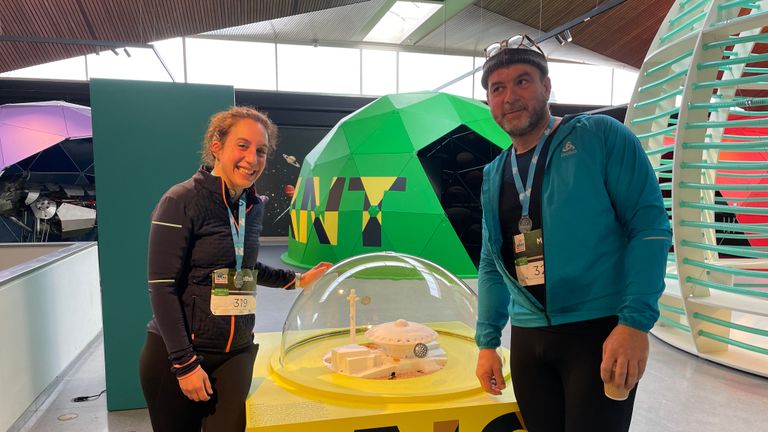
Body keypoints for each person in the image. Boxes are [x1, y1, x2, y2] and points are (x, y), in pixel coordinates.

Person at [473, 35, 671, 432]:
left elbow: (648, 228)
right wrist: (487, 342)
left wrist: (634, 324)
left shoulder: (600, 137)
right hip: (528, 339)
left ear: (546, 87)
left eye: (522, 81)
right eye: (498, 88)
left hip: (598, 330)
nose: (510, 96)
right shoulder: (494, 173)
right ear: (489, 101)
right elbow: (491, 263)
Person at [139, 106, 332, 431]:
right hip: (181, 355)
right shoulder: (180, 200)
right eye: (242, 146)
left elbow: (245, 267)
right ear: (217, 145)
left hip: (236, 353)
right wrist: (184, 363)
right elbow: (162, 286)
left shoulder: (253, 206)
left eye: (261, 151)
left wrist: (299, 280)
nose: (252, 158)